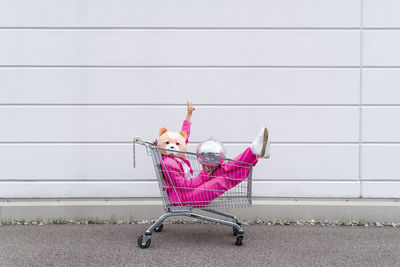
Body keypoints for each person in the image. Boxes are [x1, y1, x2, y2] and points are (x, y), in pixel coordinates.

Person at [159, 101, 270, 207]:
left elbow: (184, 137)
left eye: (176, 143)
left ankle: (253, 151)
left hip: (191, 190)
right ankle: (254, 154)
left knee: (222, 168)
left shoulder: (176, 155)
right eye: (167, 143)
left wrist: (189, 115)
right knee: (222, 180)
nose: (173, 146)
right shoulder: (169, 163)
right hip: (185, 198)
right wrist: (204, 174)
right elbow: (184, 186)